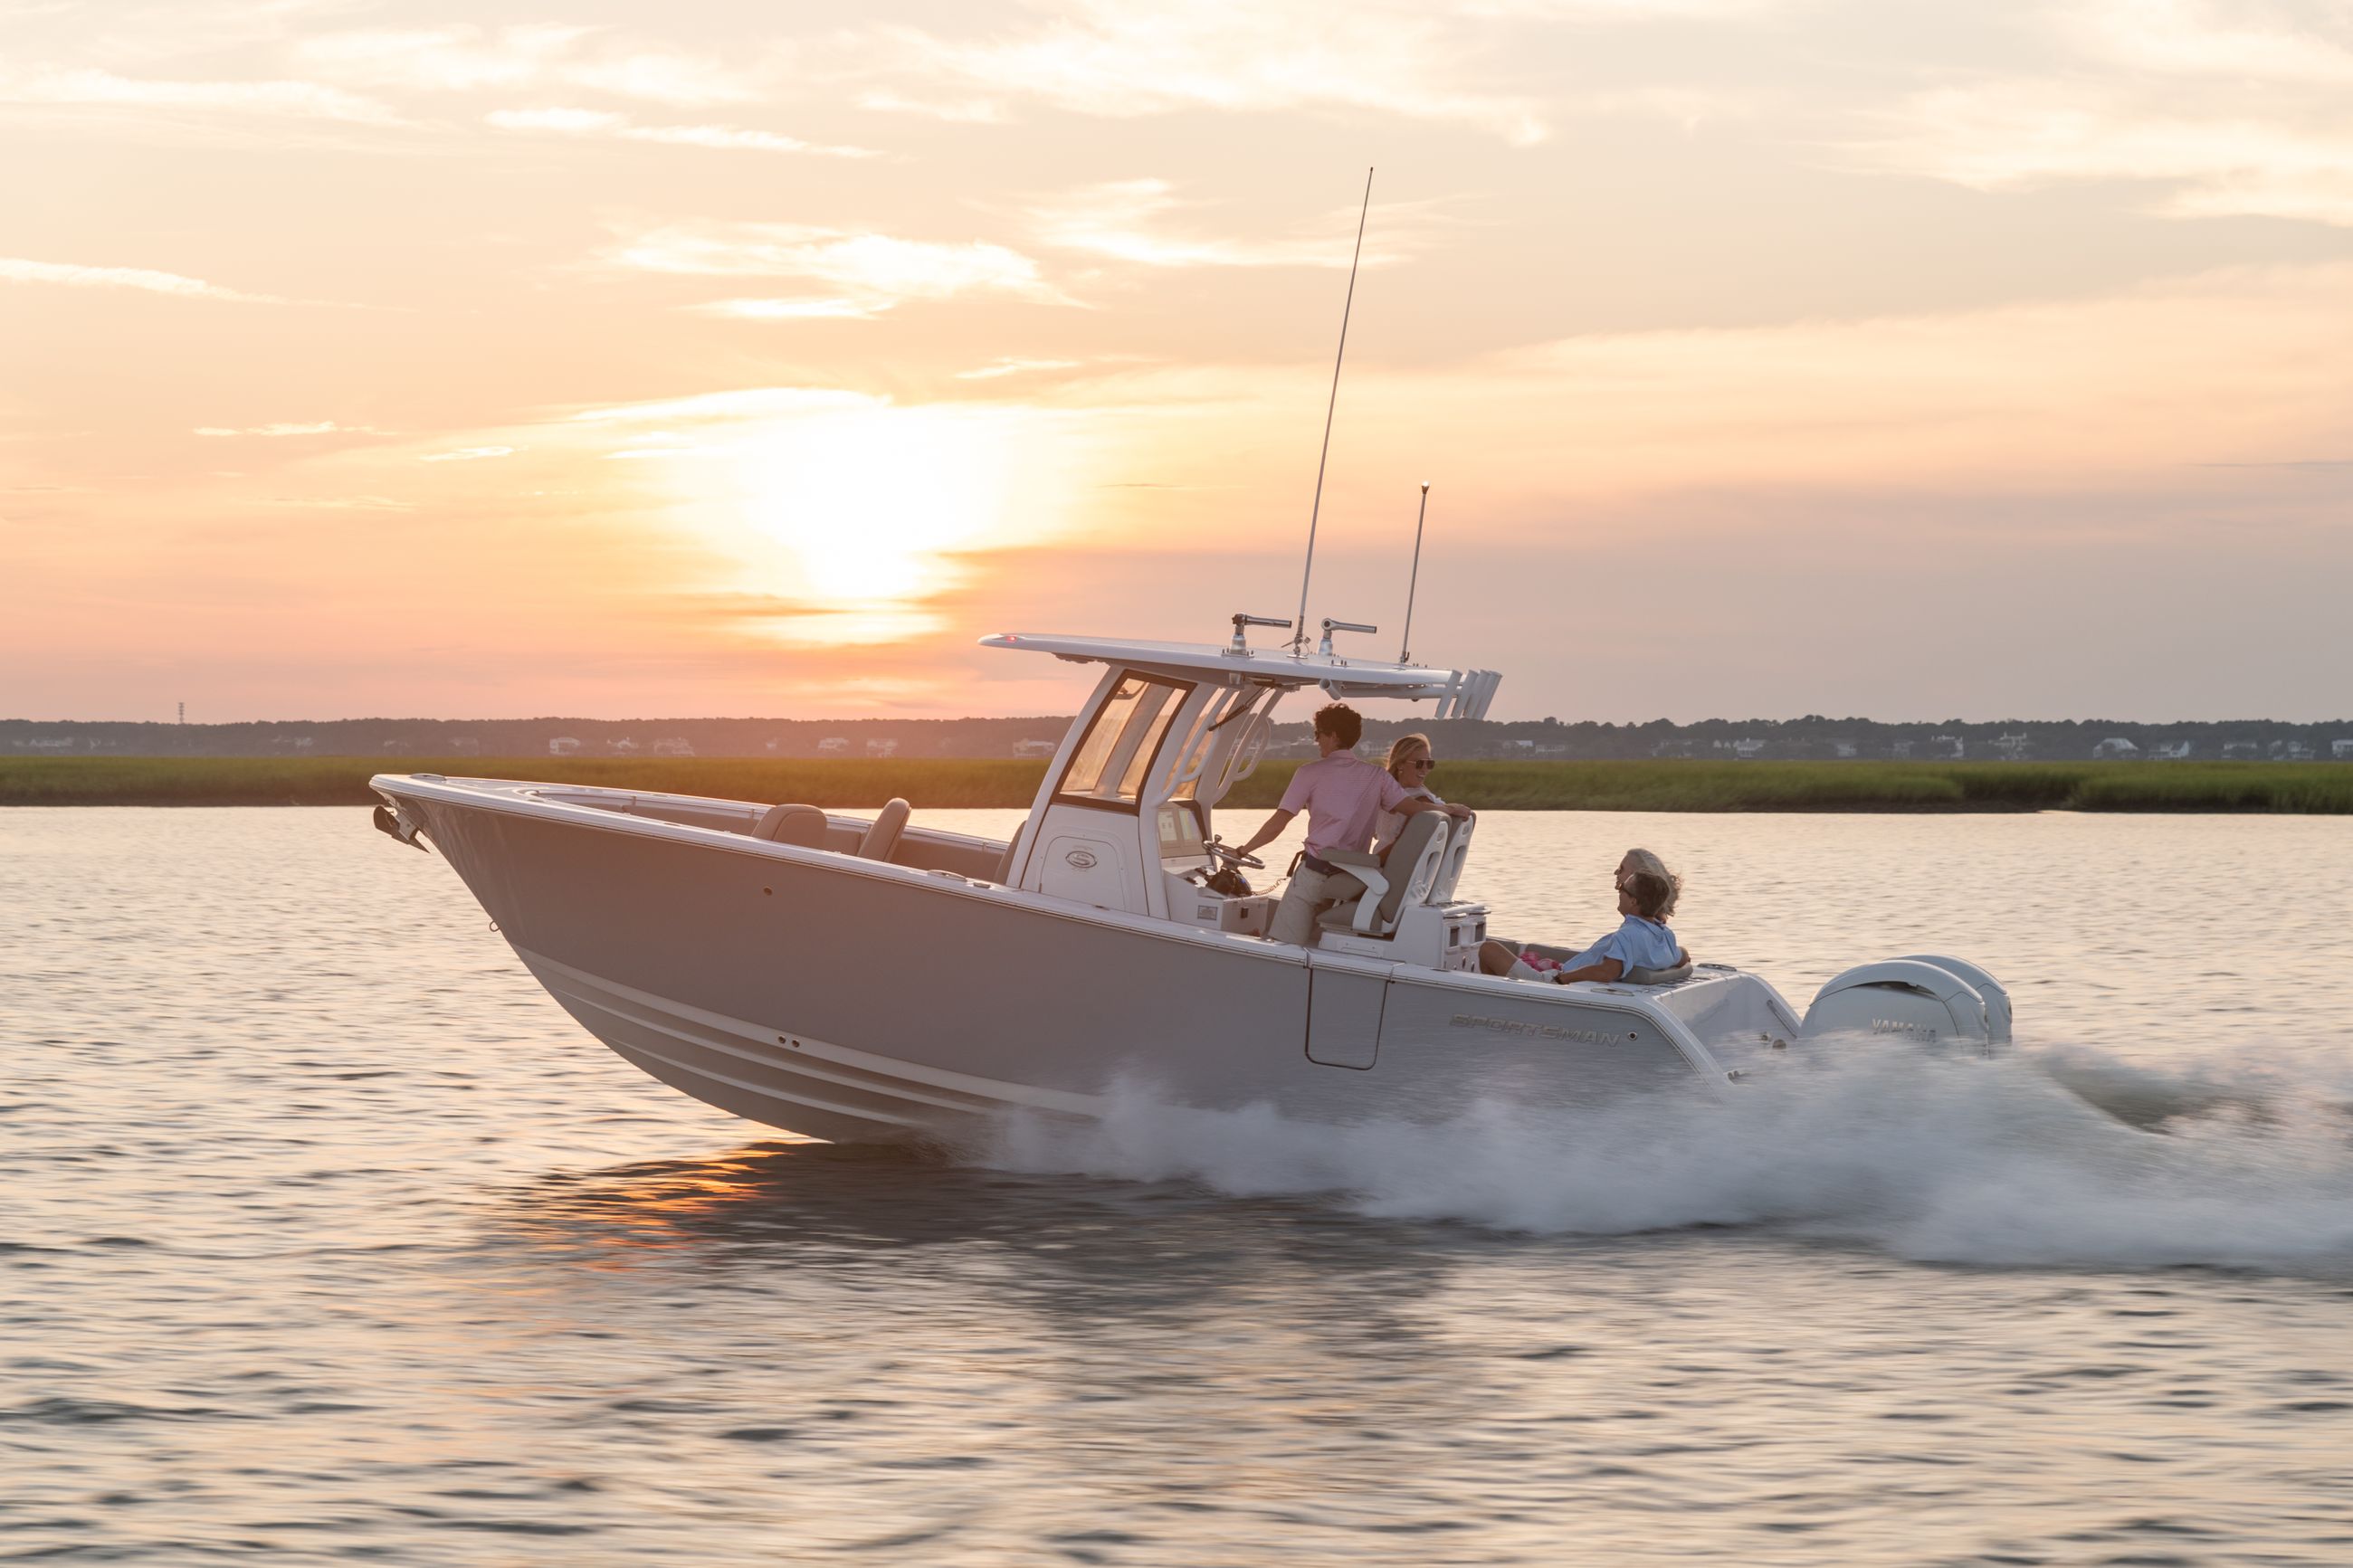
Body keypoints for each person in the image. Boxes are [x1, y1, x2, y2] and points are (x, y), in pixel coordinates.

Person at [1232, 703, 1471, 946]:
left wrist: (1242, 851)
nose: (1317, 740)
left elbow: (1277, 824)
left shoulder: (1308, 772)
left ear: (1333, 736)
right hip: (1355, 880)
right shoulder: (1377, 776)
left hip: (1316, 874)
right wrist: (1448, 809)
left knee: (1281, 942)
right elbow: (1415, 808)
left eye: (1319, 734)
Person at [1479, 849, 1685, 983]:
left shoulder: (1629, 935)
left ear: (1634, 899)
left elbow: (1607, 972)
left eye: (1623, 887)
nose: (1617, 885)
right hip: (1561, 976)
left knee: (1488, 949)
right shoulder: (1663, 934)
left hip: (1552, 984)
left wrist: (1562, 979)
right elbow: (1682, 956)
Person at [1371, 732, 1443, 855]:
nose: (1425, 769)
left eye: (1429, 764)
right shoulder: (1389, 794)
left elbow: (1401, 848)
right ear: (1400, 764)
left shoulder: (1421, 801)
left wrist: (1369, 862)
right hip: (1383, 867)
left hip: (1386, 869)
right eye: (1419, 763)